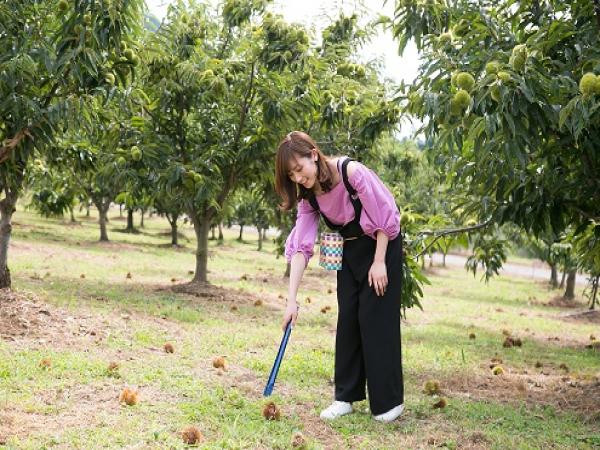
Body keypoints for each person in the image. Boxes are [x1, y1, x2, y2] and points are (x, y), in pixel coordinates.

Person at [274, 131, 404, 423]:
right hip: (351, 250)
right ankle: (345, 397)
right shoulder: (309, 199)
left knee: (375, 317)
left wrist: (380, 261)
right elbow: (301, 247)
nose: (297, 178)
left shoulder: (351, 172)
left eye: (299, 169)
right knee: (348, 318)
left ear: (314, 155)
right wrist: (291, 300)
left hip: (382, 242)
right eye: (291, 175)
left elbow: (386, 215)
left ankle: (389, 402)